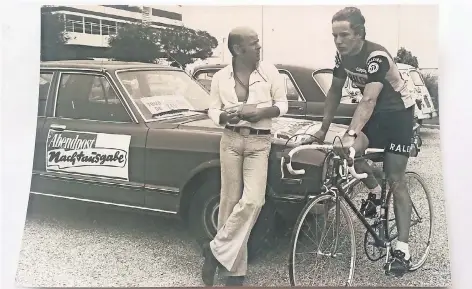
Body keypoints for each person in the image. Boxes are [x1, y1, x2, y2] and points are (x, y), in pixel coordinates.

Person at [307, 7, 416, 277]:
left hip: (399, 116)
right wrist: (323, 130)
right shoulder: (342, 57)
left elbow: (368, 99)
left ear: (360, 34)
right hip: (376, 116)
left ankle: (402, 248)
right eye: (334, 36)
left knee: (396, 177)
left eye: (344, 35)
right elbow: (334, 91)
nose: (338, 41)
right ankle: (375, 191)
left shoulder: (376, 56)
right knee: (344, 151)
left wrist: (352, 132)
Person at [203, 26, 288, 286]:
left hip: (259, 142)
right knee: (228, 202)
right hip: (229, 140)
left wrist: (261, 112)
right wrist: (221, 117)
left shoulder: (270, 72)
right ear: (238, 49)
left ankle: (214, 250)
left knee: (253, 201)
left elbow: (282, 105)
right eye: (254, 43)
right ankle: (234, 273)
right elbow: (212, 109)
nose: (259, 47)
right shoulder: (220, 77)